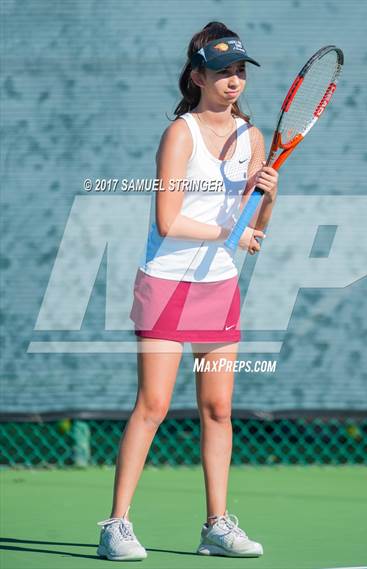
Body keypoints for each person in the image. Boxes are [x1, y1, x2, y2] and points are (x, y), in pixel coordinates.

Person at [96, 21, 278, 561]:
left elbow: (254, 229)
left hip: (218, 285)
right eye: (222, 71)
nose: (233, 81)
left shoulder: (252, 137)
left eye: (240, 71)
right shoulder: (180, 134)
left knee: (218, 408)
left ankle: (216, 526)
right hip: (167, 282)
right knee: (152, 405)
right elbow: (169, 217)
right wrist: (233, 231)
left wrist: (267, 198)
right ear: (197, 76)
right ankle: (116, 527)